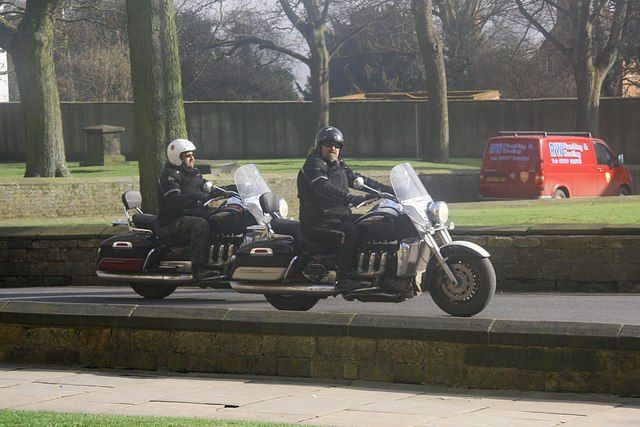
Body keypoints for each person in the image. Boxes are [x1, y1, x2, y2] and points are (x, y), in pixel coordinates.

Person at [297, 126, 394, 292]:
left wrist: (390, 191)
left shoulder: (338, 166)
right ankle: (343, 279)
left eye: (337, 145)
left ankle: (372, 271)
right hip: (317, 221)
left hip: (338, 217)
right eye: (328, 144)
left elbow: (360, 180)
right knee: (349, 231)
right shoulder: (313, 165)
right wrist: (351, 198)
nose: (333, 148)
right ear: (320, 146)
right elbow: (323, 187)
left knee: (374, 222)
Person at [157, 138, 228, 281]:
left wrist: (229, 190)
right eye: (187, 155)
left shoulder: (194, 173)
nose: (192, 158)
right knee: (200, 225)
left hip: (191, 214)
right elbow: (173, 198)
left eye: (192, 155)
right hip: (172, 220)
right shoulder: (170, 175)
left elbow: (208, 187)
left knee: (222, 216)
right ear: (177, 158)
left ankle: (221, 261)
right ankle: (199, 269)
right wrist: (197, 196)